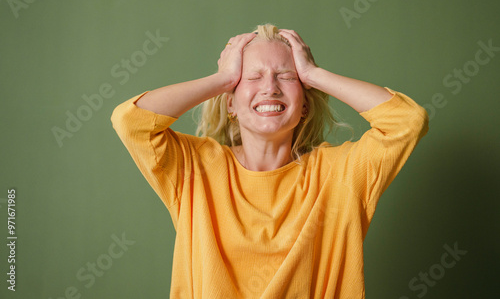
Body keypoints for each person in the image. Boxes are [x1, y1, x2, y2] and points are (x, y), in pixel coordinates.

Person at [111, 24, 429, 298]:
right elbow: (131, 121)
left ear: (304, 104)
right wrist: (222, 78)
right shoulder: (195, 169)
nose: (270, 88)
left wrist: (313, 74)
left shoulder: (340, 174)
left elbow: (407, 121)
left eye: (286, 77)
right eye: (253, 77)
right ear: (230, 103)